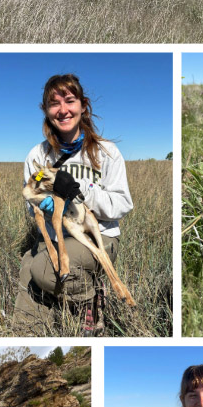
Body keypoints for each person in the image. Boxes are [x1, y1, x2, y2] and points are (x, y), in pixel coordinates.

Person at [12, 73, 133, 333]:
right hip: (56, 235)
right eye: (54, 103)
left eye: (69, 100)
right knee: (27, 266)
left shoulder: (107, 152)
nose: (63, 110)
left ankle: (90, 300)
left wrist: (80, 192)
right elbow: (30, 201)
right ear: (45, 110)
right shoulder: (37, 155)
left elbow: (123, 204)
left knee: (42, 269)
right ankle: (30, 331)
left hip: (97, 235)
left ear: (83, 106)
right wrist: (43, 205)